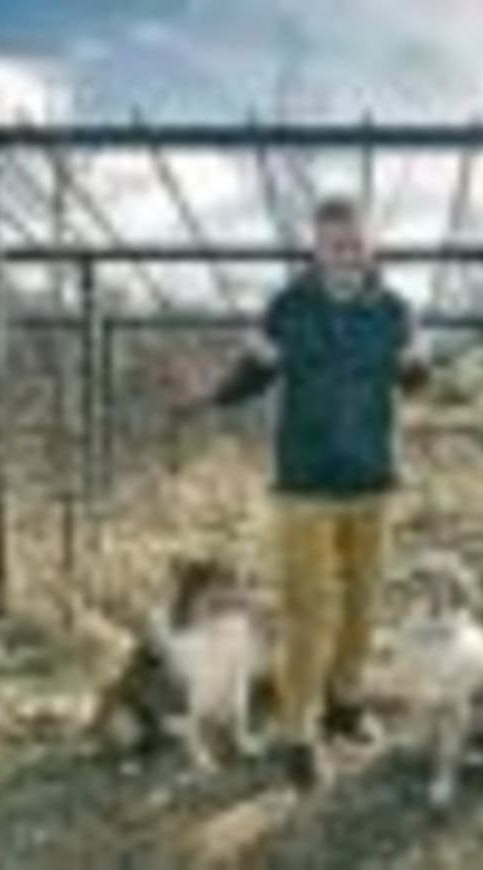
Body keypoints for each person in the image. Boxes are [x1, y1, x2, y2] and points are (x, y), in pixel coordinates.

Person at [181, 196, 427, 789]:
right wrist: (211, 396)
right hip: (305, 485)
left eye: (354, 242)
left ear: (370, 246)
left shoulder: (395, 310)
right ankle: (298, 733)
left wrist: (420, 368)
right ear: (316, 248)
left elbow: (413, 383)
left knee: (363, 606)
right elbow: (255, 375)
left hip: (372, 479)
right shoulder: (288, 308)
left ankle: (345, 705)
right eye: (333, 243)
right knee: (307, 611)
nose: (344, 252)